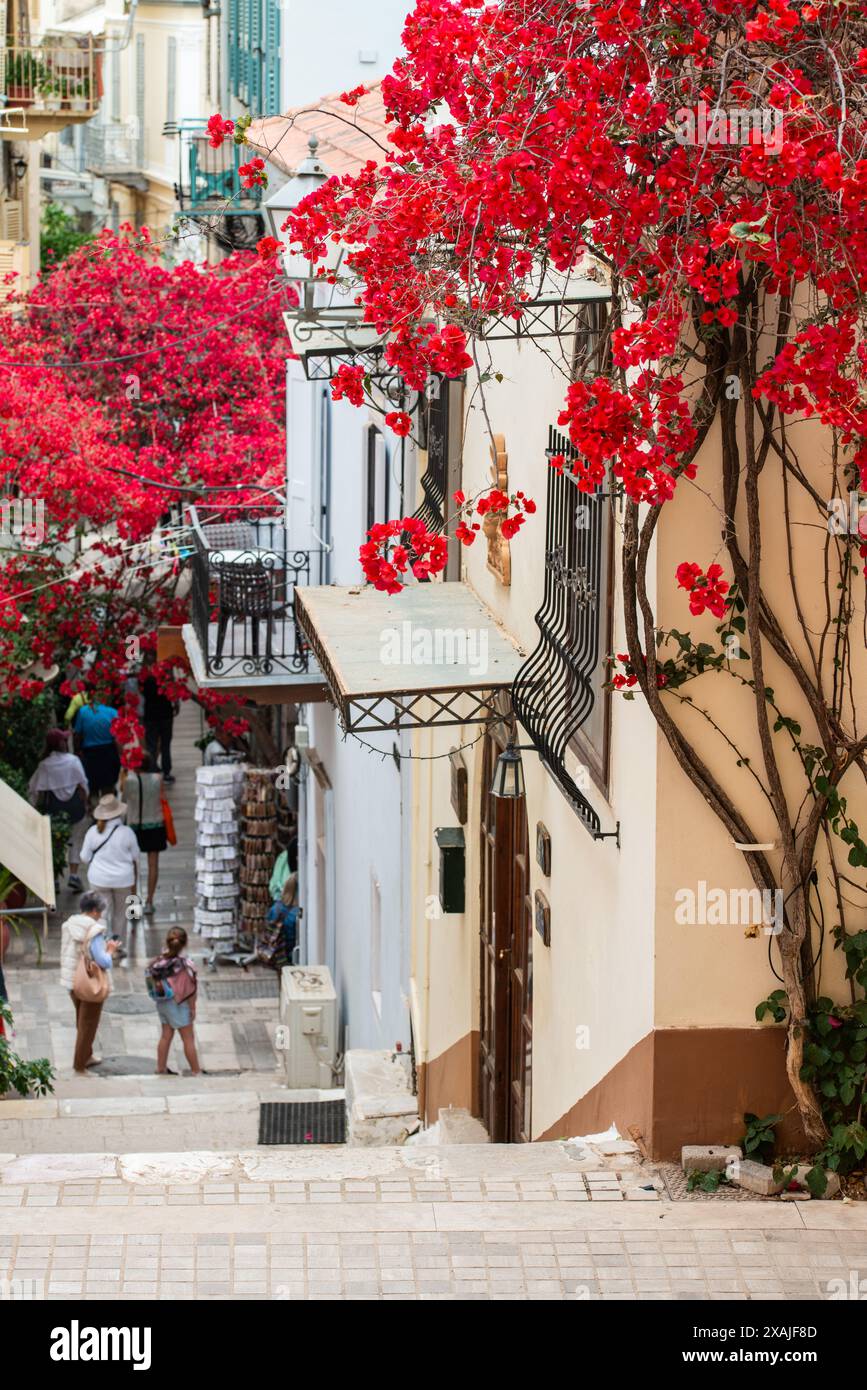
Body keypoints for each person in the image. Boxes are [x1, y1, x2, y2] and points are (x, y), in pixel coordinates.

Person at [59, 890, 119, 1074]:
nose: (100, 915)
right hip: (90, 983)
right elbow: (103, 961)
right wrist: (110, 950)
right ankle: (79, 1065)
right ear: (94, 911)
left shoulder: (69, 924)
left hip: (72, 980)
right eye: (100, 911)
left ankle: (88, 1055)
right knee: (89, 1025)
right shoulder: (94, 930)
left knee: (81, 1020)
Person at [29, 729, 90, 892]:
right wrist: (86, 801)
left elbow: (33, 788)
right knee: (75, 840)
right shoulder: (73, 761)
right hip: (75, 806)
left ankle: (55, 879)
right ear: (61, 744)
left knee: (54, 844)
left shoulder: (44, 765)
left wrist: (33, 807)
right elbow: (83, 783)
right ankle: (74, 876)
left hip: (53, 808)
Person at [79, 794, 139, 954]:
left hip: (99, 879)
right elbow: (135, 856)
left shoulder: (92, 832)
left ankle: (103, 947)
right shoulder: (127, 832)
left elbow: (84, 858)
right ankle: (117, 947)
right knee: (120, 914)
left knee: (102, 914)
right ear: (118, 813)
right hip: (123, 880)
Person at [146, 928, 201, 1076]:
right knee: (188, 1039)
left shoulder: (159, 961)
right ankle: (196, 1071)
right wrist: (193, 1008)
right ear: (185, 943)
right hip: (179, 1004)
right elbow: (191, 990)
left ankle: (161, 1068)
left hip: (163, 1003)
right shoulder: (186, 964)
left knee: (165, 1036)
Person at [121, 754, 166, 917]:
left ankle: (133, 904)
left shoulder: (129, 781)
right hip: (155, 824)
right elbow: (162, 799)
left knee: (133, 866)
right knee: (153, 864)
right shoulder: (158, 779)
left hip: (134, 826)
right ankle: (149, 901)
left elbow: (124, 801)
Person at [73, 690, 121, 796]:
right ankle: (109, 809)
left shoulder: (82, 711)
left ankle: (95, 810)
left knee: (92, 788)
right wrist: (121, 756)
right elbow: (118, 738)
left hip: (90, 755)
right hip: (108, 753)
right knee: (108, 788)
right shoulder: (113, 712)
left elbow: (77, 735)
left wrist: (77, 752)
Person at [141, 653, 177, 785]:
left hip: (150, 715)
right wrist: (176, 704)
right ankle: (166, 772)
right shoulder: (165, 675)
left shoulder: (144, 678)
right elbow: (173, 689)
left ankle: (152, 770)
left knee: (151, 744)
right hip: (165, 714)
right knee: (166, 745)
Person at [260, 874, 299, 971]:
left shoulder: (276, 907)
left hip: (277, 952)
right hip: (292, 955)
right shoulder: (298, 912)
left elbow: (268, 925)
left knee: (281, 979)